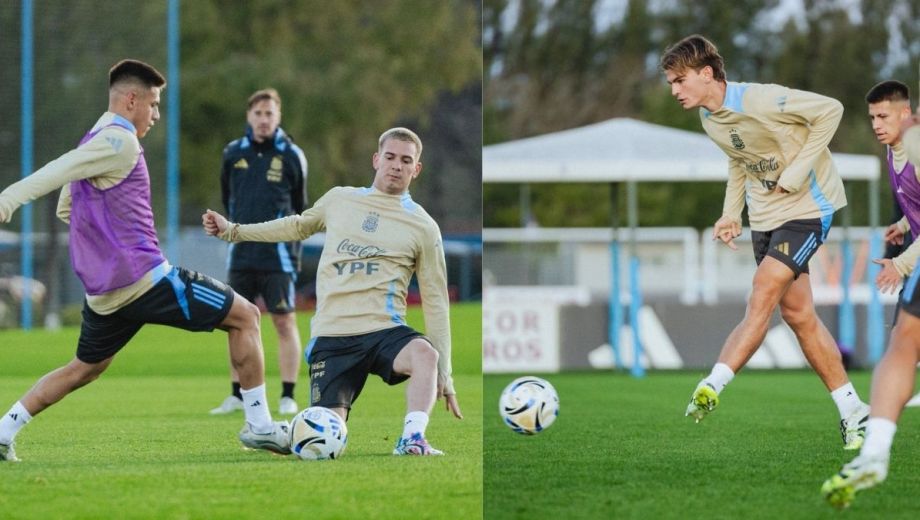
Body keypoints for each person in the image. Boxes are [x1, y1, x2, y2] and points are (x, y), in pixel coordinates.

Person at [0, 59, 289, 462]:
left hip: (105, 294)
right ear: (131, 100)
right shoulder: (119, 141)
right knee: (246, 317)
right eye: (153, 104)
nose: (155, 115)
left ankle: (3, 430)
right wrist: (8, 199)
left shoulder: (94, 138)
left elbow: (68, 206)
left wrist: (103, 237)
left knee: (83, 368)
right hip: (146, 279)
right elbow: (58, 170)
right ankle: (259, 426)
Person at [659, 35, 869, 448]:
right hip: (765, 218)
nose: (674, 91)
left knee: (762, 290)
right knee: (799, 316)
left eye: (680, 80)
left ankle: (713, 383)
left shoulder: (761, 99)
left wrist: (797, 171)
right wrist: (730, 213)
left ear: (707, 74)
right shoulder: (708, 118)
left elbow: (831, 110)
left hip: (808, 208)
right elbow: (739, 161)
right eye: (670, 83)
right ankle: (853, 409)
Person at [202, 127, 463, 455]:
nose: (397, 165)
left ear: (417, 168)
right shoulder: (340, 199)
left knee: (426, 355)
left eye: (406, 160)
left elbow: (436, 300)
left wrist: (445, 373)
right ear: (376, 159)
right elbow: (296, 225)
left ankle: (412, 439)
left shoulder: (424, 227)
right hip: (332, 337)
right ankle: (280, 433)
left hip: (384, 330)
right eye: (390, 157)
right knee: (324, 438)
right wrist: (234, 231)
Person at [822, 80, 920, 508]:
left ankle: (874, 453)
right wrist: (904, 225)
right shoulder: (894, 151)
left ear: (906, 114)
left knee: (902, 346)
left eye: (884, 116)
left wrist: (901, 263)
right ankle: (874, 454)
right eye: (872, 117)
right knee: (903, 343)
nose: (877, 124)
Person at [210, 88, 307, 416]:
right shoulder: (232, 152)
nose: (263, 119)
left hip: (279, 257)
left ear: (278, 117)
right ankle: (237, 394)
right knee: (235, 322)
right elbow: (228, 198)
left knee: (284, 322)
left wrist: (292, 249)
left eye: (269, 113)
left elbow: (300, 208)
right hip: (240, 255)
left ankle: (288, 395)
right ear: (249, 116)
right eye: (258, 113)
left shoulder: (292, 155)